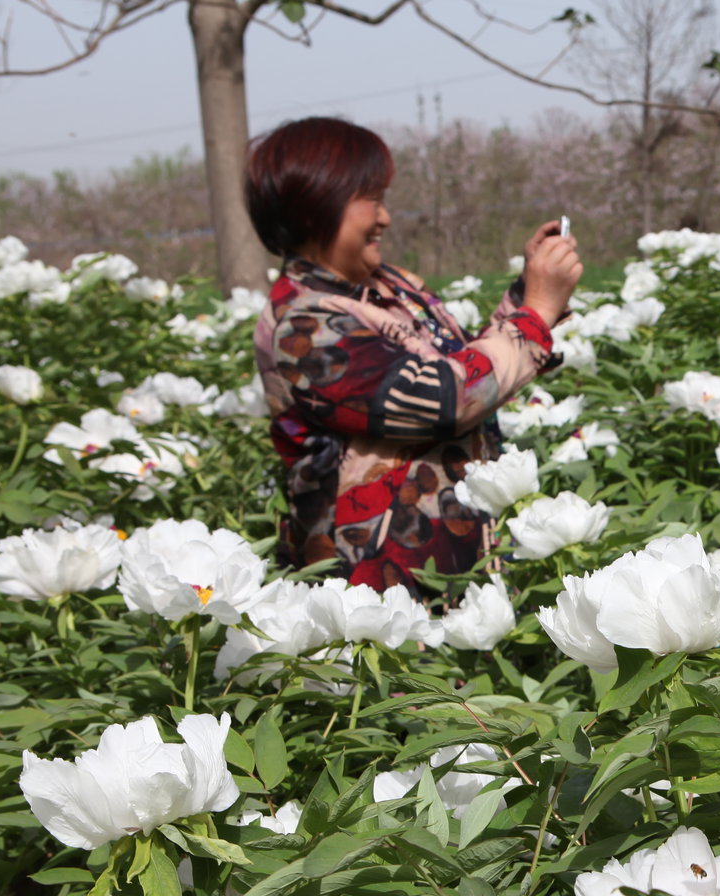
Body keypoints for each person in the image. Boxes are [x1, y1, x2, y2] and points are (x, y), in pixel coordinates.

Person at [246, 116, 582, 591]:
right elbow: (441, 401)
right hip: (379, 591)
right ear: (313, 205)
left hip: (451, 564)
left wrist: (526, 294)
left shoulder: (389, 286)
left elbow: (464, 367)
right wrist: (536, 313)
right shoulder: (303, 323)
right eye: (371, 200)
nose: (384, 218)